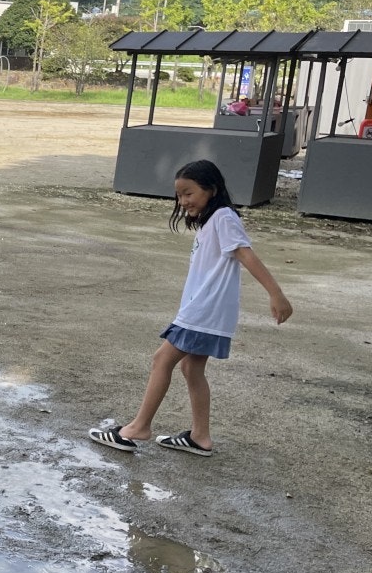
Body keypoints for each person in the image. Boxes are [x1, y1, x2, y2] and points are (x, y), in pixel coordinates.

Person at [88, 159, 292, 457]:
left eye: (189, 193)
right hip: (207, 310)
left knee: (162, 360)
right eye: (179, 195)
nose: (183, 201)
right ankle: (201, 437)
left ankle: (138, 427)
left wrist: (277, 294)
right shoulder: (213, 221)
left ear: (212, 189)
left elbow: (246, 255)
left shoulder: (223, 217)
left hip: (204, 311)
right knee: (190, 367)